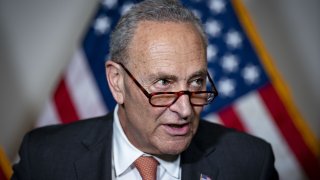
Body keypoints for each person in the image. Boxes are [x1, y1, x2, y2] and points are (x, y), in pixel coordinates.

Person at [12, 0, 278, 179]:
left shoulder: (251, 162)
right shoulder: (44, 158)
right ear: (117, 81)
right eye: (163, 83)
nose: (185, 110)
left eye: (196, 82)